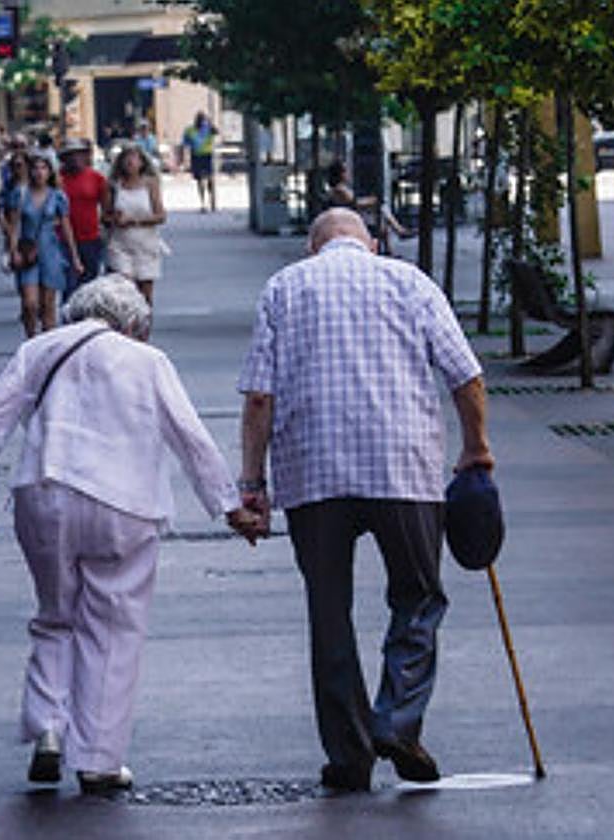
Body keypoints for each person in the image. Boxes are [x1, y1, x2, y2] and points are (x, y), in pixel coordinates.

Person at [0, 276, 263, 795]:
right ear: (133, 324)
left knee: (56, 616)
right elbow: (189, 437)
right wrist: (229, 507)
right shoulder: (148, 361)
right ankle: (97, 759)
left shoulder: (38, 349)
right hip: (123, 503)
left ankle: (49, 727)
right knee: (112, 627)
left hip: (44, 493)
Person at [235, 208, 493, 792]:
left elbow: (258, 398)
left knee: (329, 614)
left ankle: (350, 757)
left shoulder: (283, 288)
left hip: (312, 473)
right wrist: (476, 448)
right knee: (419, 595)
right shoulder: (410, 282)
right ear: (372, 244)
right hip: (404, 467)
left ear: (312, 248)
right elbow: (465, 376)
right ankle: (397, 720)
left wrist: (252, 485)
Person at [4, 154, 82, 337]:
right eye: (35, 168)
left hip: (50, 250)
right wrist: (13, 250)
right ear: (29, 171)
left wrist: (74, 257)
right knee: (30, 303)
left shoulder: (57, 196)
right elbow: (14, 225)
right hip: (28, 250)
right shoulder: (21, 194)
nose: (39, 173)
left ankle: (48, 346)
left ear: (49, 172)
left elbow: (66, 227)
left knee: (48, 306)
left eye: (43, 168)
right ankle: (31, 338)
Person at [106, 143, 167, 306]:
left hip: (145, 245)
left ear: (141, 162)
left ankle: (143, 329)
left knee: (145, 296)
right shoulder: (114, 185)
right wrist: (114, 219)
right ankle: (126, 329)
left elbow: (161, 216)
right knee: (125, 292)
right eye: (126, 158)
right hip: (120, 245)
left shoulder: (150, 184)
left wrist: (135, 221)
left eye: (134, 158)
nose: (130, 162)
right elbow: (105, 215)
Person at [324, 160, 414, 255]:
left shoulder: (341, 188)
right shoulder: (340, 189)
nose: (348, 174)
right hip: (351, 216)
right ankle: (398, 231)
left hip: (353, 213)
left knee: (382, 215)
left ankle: (393, 241)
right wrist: (372, 201)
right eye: (345, 171)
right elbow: (355, 204)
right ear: (340, 174)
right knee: (381, 210)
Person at [58, 138, 111, 296]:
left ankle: (85, 317)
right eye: (71, 155)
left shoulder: (97, 178)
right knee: (69, 283)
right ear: (64, 158)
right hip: (63, 239)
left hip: (91, 238)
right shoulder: (57, 179)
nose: (75, 159)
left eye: (79, 154)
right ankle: (69, 316)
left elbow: (106, 208)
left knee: (89, 283)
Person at [181, 111, 217, 212]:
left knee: (210, 178)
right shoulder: (189, 130)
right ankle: (203, 202)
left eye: (202, 119)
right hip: (196, 156)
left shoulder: (208, 128)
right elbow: (185, 143)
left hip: (207, 155)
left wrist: (210, 123)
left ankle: (212, 199)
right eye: (199, 119)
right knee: (200, 180)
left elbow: (216, 132)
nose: (201, 122)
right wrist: (185, 158)